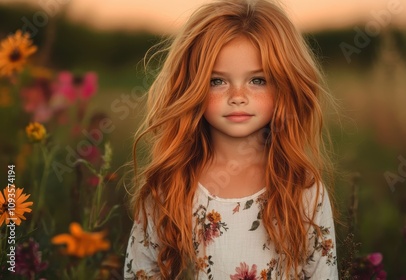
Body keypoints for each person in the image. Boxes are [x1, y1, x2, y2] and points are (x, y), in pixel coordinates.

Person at [124, 0, 339, 278]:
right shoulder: (168, 187)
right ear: (192, 86)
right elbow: (141, 272)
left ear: (285, 85)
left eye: (257, 80)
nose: (238, 96)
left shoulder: (303, 189)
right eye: (218, 81)